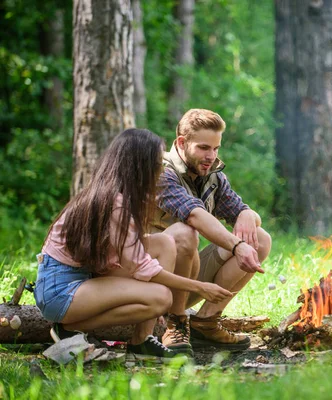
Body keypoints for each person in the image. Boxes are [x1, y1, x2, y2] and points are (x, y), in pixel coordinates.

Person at [34, 129, 233, 361]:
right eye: (157, 162)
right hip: (60, 290)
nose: (161, 169)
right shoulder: (115, 204)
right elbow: (144, 269)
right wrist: (200, 287)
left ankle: (142, 340)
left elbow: (135, 257)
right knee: (160, 298)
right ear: (139, 166)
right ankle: (70, 328)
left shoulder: (119, 196)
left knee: (164, 243)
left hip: (83, 277)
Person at [152, 108, 271, 351]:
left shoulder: (212, 175)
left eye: (216, 148)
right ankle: (175, 324)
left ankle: (205, 322)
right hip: (150, 278)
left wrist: (247, 214)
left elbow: (239, 210)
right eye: (204, 148)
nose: (211, 156)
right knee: (185, 233)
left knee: (260, 238)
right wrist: (237, 245)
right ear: (182, 143)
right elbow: (194, 214)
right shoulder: (160, 171)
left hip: (186, 280)